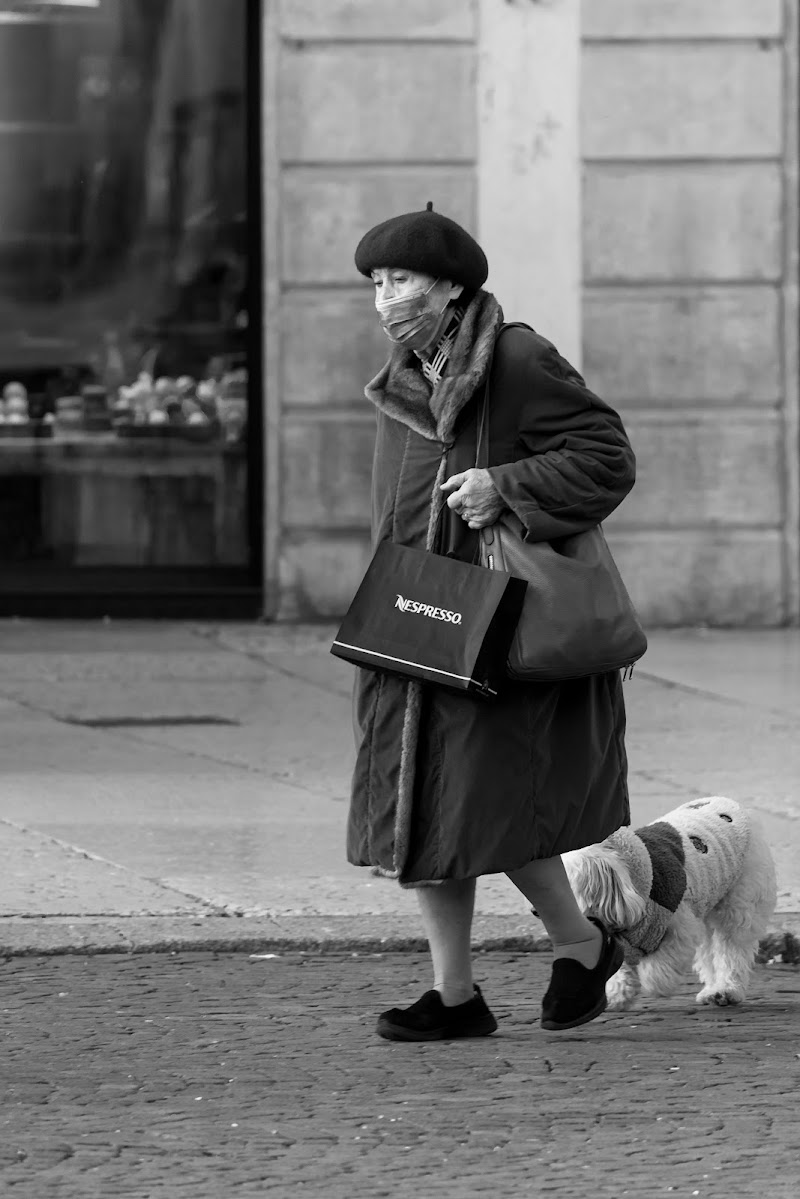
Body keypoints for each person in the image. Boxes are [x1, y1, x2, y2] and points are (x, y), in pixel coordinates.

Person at [348, 203, 636, 1038]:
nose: (385, 297)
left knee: (489, 808)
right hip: (410, 620)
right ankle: (457, 995)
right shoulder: (405, 373)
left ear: (450, 286)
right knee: (423, 815)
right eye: (376, 281)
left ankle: (582, 945)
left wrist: (505, 486)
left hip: (495, 627)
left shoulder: (514, 356)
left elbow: (605, 453)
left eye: (401, 279)